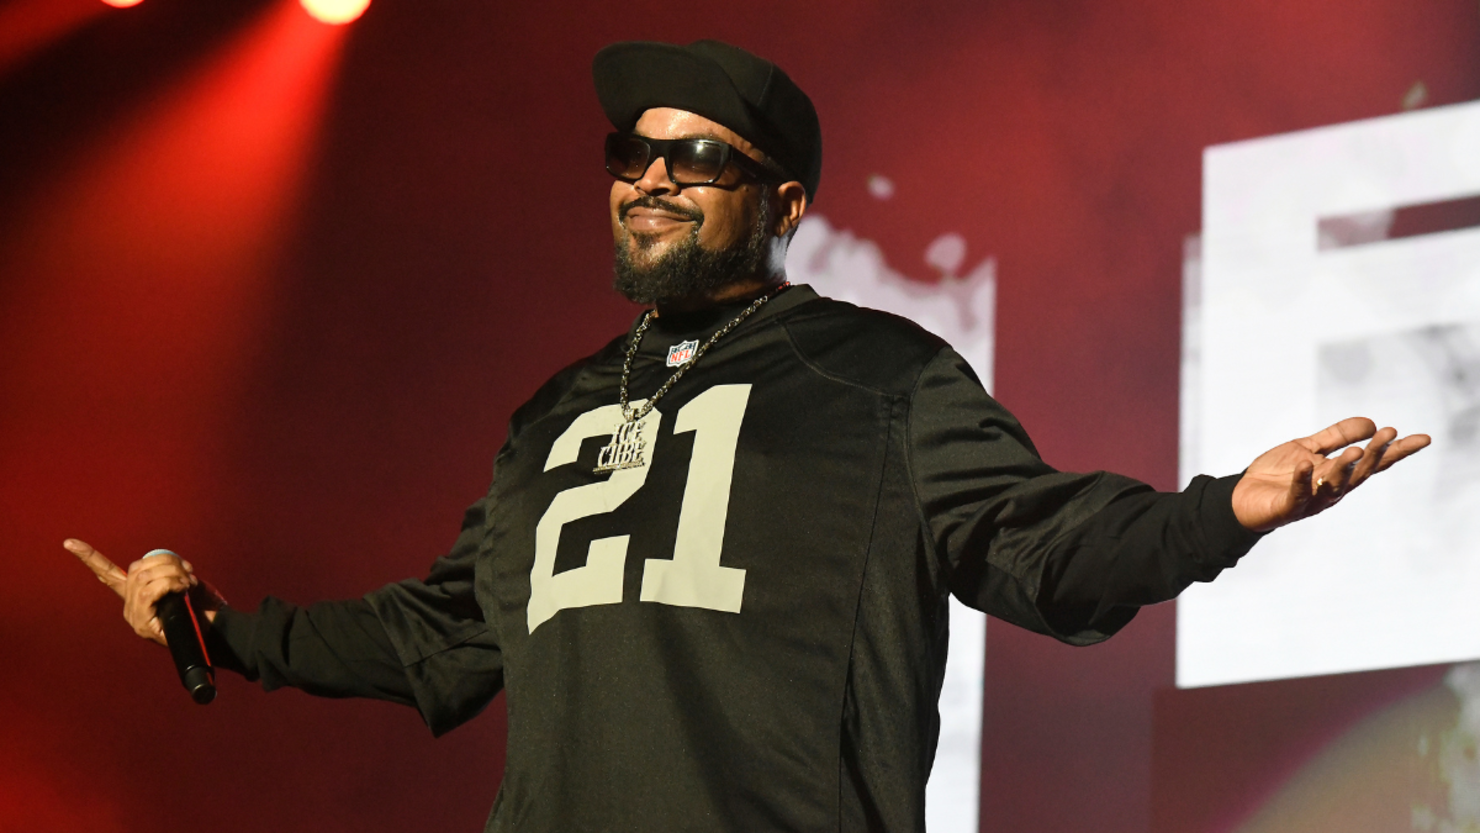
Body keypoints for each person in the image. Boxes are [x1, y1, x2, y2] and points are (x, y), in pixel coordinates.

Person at [69, 39, 1429, 832]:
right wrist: (220, 631)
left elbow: (1037, 542)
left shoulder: (877, 375)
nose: (652, 176)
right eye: (632, 152)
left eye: (701, 157)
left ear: (782, 205)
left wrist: (1218, 513)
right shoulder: (550, 415)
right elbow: (441, 632)